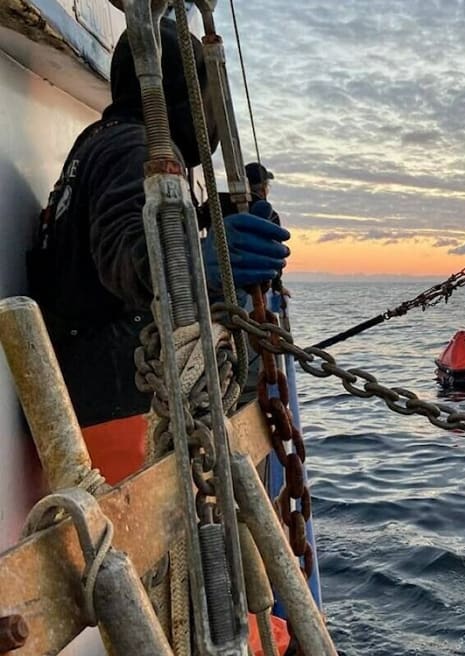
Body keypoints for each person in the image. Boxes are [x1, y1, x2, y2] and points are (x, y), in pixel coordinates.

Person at [28, 19, 292, 656]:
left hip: (93, 414)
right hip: (126, 424)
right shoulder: (129, 148)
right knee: (197, 603)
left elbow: (126, 227)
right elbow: (129, 249)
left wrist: (211, 221)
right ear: (182, 96)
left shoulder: (96, 145)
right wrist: (203, 260)